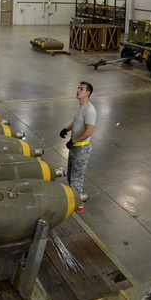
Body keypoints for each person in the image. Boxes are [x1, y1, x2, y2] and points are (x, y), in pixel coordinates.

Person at [59, 81, 97, 213]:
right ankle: (73, 198)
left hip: (82, 149)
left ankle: (79, 203)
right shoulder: (79, 106)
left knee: (77, 177)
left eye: (81, 89)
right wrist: (66, 129)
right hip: (74, 147)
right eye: (78, 88)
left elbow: (89, 131)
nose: (78, 91)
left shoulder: (90, 110)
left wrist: (74, 140)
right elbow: (76, 122)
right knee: (70, 174)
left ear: (88, 93)